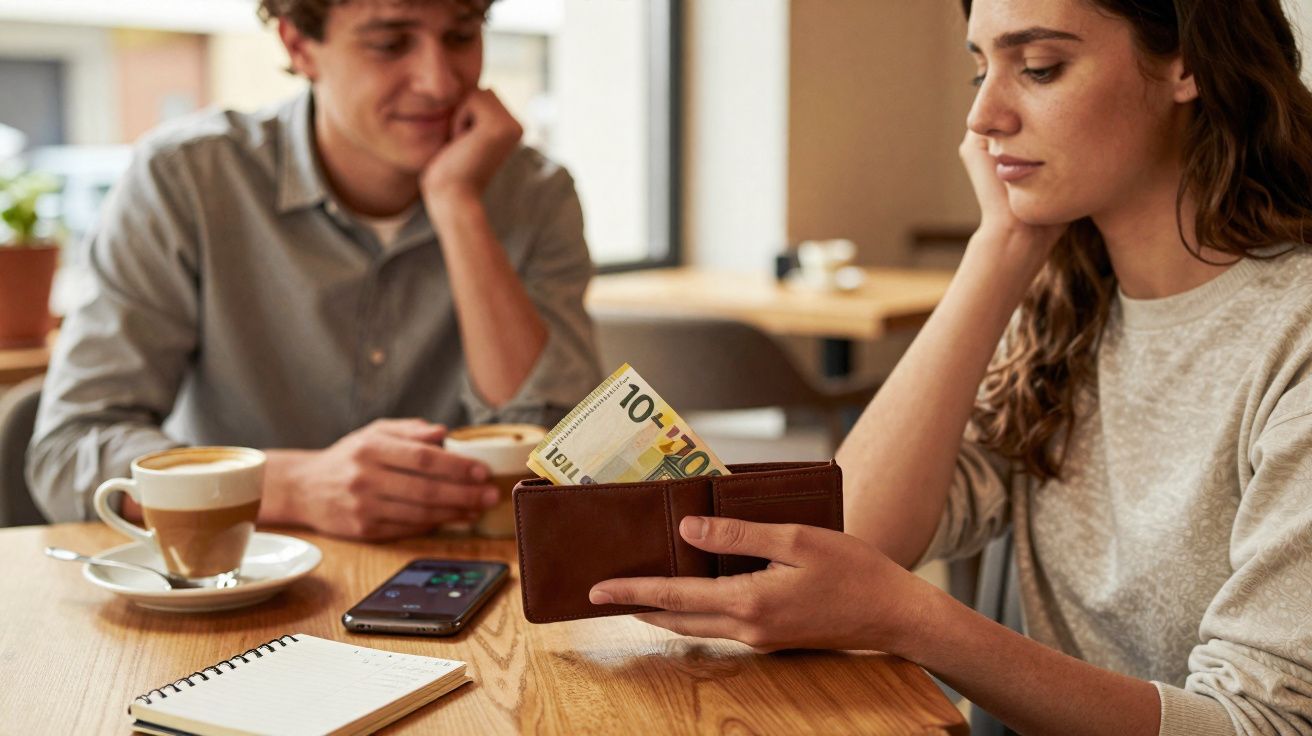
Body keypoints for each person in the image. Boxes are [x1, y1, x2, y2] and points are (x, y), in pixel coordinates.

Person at [589, 0, 1312, 733]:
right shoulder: (1064, 301)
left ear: (1187, 62)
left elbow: (1261, 725)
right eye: (978, 68)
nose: (982, 116)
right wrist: (1001, 247)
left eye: (1039, 68)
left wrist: (916, 620)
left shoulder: (1295, 335)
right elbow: (859, 536)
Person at [27, 0, 601, 541]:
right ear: (299, 45)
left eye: (460, 35)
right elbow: (70, 451)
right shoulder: (186, 181)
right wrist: (293, 487)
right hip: (237, 588)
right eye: (390, 42)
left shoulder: (535, 195)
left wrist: (457, 203)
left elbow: (564, 466)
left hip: (474, 593)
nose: (441, 82)